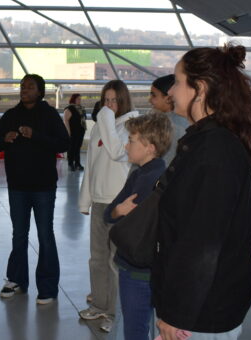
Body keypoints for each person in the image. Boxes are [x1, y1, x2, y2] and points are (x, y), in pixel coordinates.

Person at [153, 44, 251, 340]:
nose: (172, 91)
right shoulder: (205, 142)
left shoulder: (215, 151)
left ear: (199, 89)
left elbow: (202, 245)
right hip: (198, 307)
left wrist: (175, 316)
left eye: (177, 81)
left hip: (200, 315)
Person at [0, 74, 70, 305]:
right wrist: (5, 138)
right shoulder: (11, 115)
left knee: (45, 235)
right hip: (17, 186)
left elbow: (64, 143)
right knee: (19, 234)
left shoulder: (49, 115)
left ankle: (47, 287)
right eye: (23, 86)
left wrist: (36, 136)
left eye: (30, 86)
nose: (24, 89)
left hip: (43, 186)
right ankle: (16, 279)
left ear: (40, 91)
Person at [103, 112, 172, 340]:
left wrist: (117, 211)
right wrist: (118, 210)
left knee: (135, 331)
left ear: (150, 147)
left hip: (135, 269)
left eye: (131, 140)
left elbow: (109, 214)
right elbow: (111, 212)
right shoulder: (155, 174)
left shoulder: (145, 178)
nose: (126, 145)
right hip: (157, 269)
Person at [78, 80, 140, 331]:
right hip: (99, 201)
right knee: (98, 258)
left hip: (120, 203)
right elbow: (91, 165)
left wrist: (105, 117)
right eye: (106, 101)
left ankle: (115, 314)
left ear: (123, 101)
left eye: (115, 100)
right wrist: (85, 200)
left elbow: (117, 152)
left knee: (116, 261)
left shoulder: (132, 126)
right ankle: (100, 305)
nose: (110, 105)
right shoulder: (101, 126)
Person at [149, 74, 189, 164]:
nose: (150, 100)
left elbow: (167, 160)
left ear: (168, 98)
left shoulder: (172, 124)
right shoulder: (179, 120)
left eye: (154, 95)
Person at [63, 93, 87, 171]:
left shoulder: (81, 108)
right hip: (73, 131)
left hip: (80, 131)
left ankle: (77, 163)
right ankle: (70, 164)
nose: (80, 100)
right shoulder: (69, 108)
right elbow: (66, 120)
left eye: (80, 99)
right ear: (74, 99)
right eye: (78, 99)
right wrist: (68, 131)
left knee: (77, 148)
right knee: (71, 148)